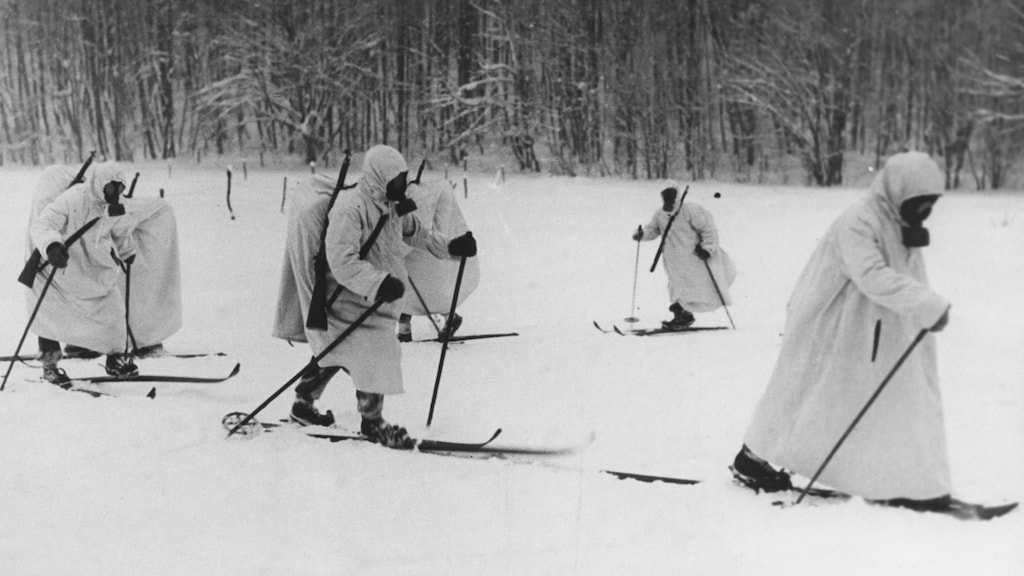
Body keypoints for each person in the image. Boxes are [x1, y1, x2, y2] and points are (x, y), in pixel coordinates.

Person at [734, 151, 953, 511]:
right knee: (804, 391)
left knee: (849, 400)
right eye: (921, 203)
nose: (926, 211)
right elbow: (871, 274)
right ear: (900, 191)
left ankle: (893, 476)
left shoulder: (895, 218)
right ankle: (752, 458)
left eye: (931, 204)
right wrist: (926, 305)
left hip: (865, 326)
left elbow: (903, 272)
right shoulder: (860, 221)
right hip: (827, 322)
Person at [272, 145, 477, 449]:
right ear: (380, 177)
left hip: (371, 295)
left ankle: (303, 405)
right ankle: (373, 423)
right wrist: (379, 283)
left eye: (403, 179)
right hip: (344, 296)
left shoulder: (391, 204)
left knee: (335, 351)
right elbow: (342, 261)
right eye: (397, 180)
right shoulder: (350, 208)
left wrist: (451, 246)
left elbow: (416, 233)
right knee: (372, 351)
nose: (402, 186)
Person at [27, 162, 140, 384]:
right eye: (111, 187)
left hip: (96, 270)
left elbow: (122, 232)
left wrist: (128, 251)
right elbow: (43, 224)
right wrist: (51, 246)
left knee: (114, 312)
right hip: (64, 268)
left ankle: (115, 359)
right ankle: (50, 366)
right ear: (100, 184)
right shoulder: (73, 198)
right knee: (50, 314)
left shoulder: (117, 205)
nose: (115, 193)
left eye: (120, 188)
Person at [632, 180, 736, 329]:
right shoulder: (660, 214)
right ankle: (682, 316)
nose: (668, 198)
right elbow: (653, 229)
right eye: (665, 195)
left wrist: (707, 248)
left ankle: (684, 316)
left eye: (671, 194)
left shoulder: (690, 210)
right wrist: (641, 235)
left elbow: (708, 229)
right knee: (677, 288)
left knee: (694, 287)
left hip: (693, 258)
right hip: (673, 260)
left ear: (677, 195)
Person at [397, 179, 480, 342]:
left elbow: (417, 226)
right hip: (425, 243)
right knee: (411, 281)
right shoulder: (430, 190)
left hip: (426, 243)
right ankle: (409, 325)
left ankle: (446, 319)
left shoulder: (418, 192)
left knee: (416, 282)